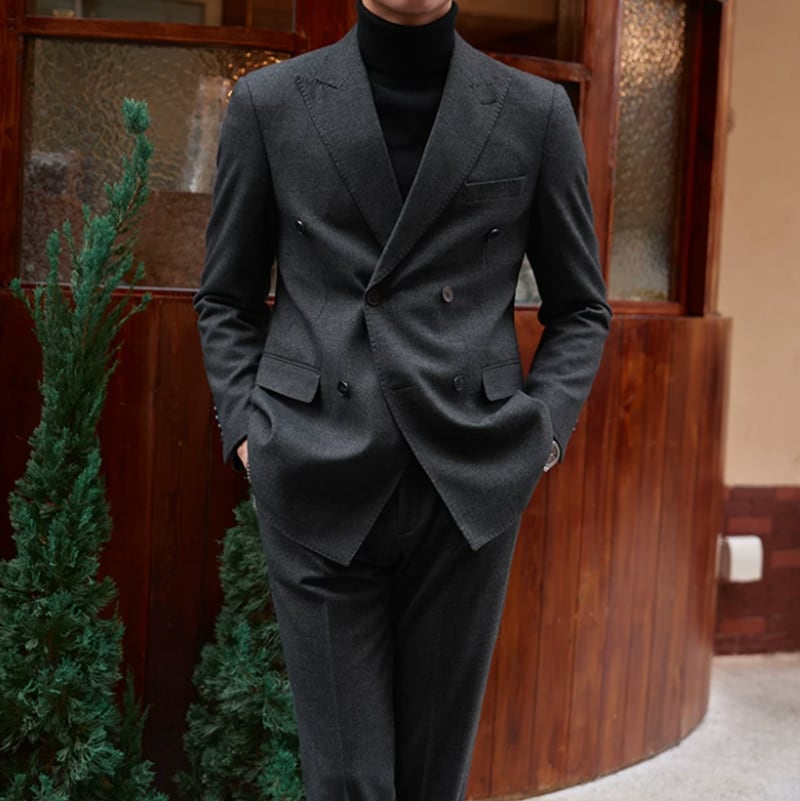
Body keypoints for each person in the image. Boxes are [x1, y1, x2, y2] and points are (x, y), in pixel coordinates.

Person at [194, 1, 611, 798]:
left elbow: (582, 307)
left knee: (430, 779)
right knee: (347, 780)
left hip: (469, 479)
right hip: (314, 470)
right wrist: (250, 432)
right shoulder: (271, 103)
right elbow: (225, 297)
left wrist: (540, 435)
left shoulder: (534, 111)